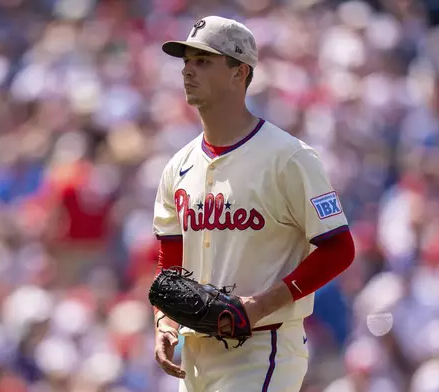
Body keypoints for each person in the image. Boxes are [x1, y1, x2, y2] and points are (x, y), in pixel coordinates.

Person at [151, 16, 356, 392]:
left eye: (203, 61)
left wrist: (263, 304)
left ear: (239, 73)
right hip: (195, 353)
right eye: (186, 61)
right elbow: (171, 258)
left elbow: (339, 248)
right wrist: (164, 320)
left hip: (263, 348)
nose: (187, 71)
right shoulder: (177, 166)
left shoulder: (290, 158)